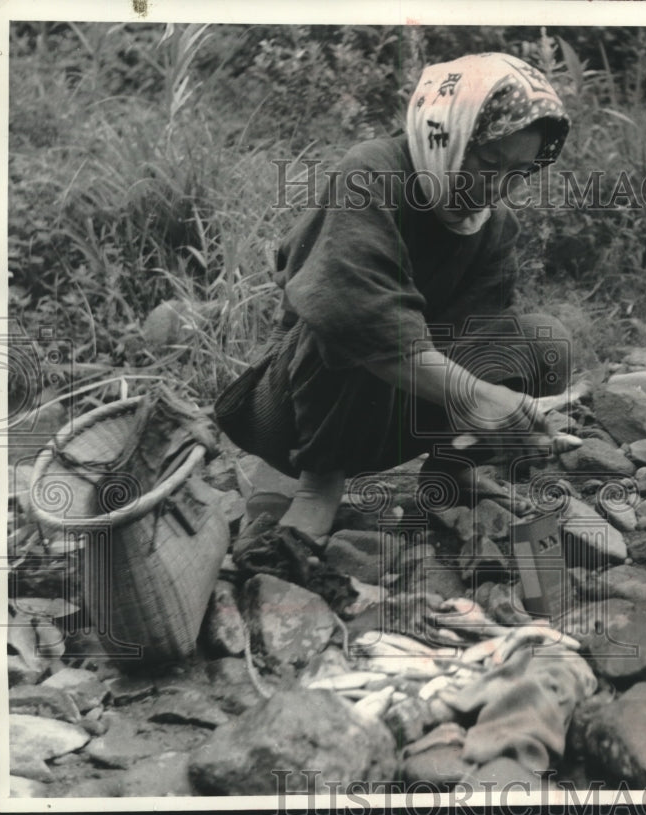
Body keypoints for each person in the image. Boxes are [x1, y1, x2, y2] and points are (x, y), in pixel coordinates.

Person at [214, 53, 573, 548]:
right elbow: (355, 313)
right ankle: (320, 483)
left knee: (542, 340)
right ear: (447, 133)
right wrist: (475, 395)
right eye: (489, 163)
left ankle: (449, 470)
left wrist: (509, 415)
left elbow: (480, 331)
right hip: (301, 408)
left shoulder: (495, 225)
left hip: (403, 401)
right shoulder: (372, 174)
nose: (500, 186)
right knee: (346, 324)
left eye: (518, 171)